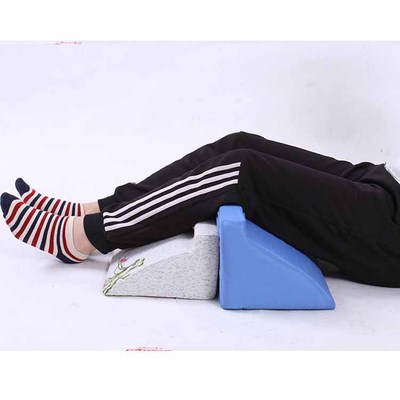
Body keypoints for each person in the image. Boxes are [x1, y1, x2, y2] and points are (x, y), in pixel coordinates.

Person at [2, 131, 400, 288]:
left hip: (391, 228)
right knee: (238, 143)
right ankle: (97, 209)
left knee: (242, 170)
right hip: (385, 182)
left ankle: (87, 236)